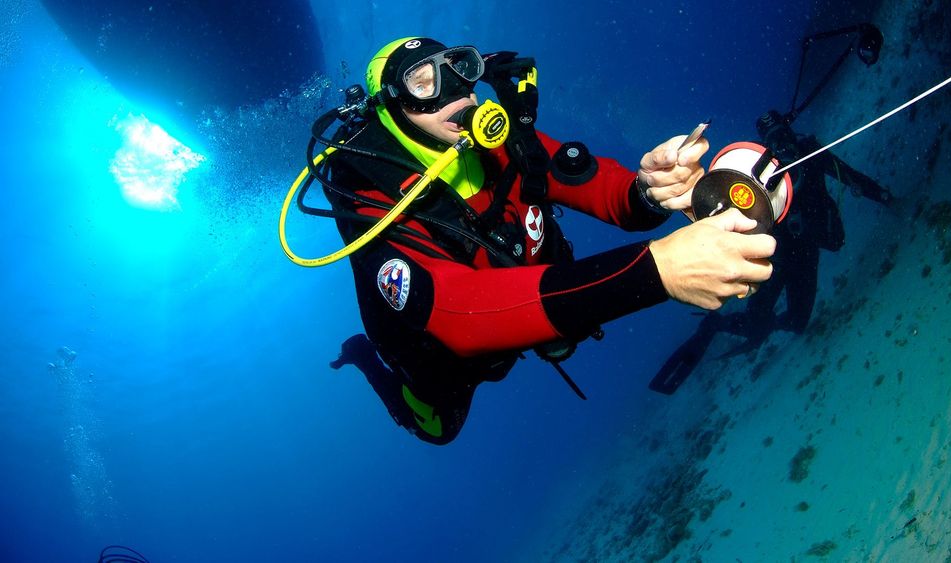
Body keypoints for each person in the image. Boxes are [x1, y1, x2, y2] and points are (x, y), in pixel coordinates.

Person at [322, 37, 776, 444]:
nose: (456, 93)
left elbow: (601, 189)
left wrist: (650, 190)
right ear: (390, 105)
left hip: (531, 302)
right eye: (423, 83)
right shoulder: (368, 196)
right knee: (438, 429)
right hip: (441, 356)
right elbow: (457, 314)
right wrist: (656, 273)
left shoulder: (497, 141)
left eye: (461, 69)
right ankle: (364, 358)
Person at [649, 109, 891, 394]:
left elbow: (851, 178)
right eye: (773, 139)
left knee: (798, 322)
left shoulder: (811, 153)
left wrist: (884, 197)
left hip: (806, 251)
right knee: (756, 327)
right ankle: (714, 327)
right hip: (772, 258)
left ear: (791, 131)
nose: (783, 145)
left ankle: (741, 325)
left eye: (783, 135)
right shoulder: (754, 174)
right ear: (765, 145)